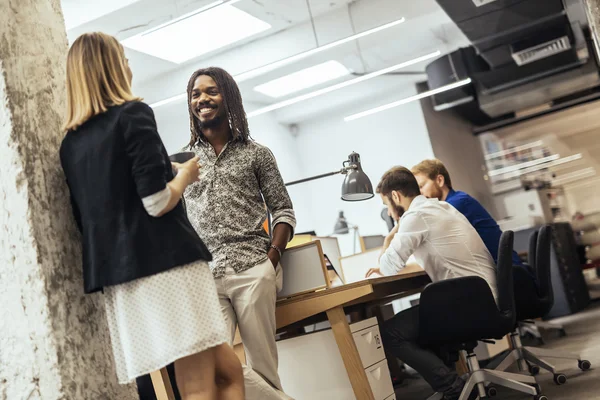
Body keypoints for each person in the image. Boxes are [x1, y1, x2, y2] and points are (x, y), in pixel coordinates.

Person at [60, 33, 243, 400]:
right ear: (110, 67)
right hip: (167, 268)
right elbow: (157, 202)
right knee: (198, 386)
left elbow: (94, 215)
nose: (129, 66)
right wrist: (185, 176)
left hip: (123, 282)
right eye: (123, 58)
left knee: (228, 371)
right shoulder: (133, 114)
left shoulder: (71, 144)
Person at [182, 67, 296, 400]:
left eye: (211, 91)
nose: (203, 99)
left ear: (228, 97)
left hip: (252, 268)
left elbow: (283, 211)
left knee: (262, 366)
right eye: (195, 94)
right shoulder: (184, 161)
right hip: (206, 273)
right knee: (216, 365)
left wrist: (271, 258)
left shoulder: (256, 154)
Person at [365, 167, 497, 400]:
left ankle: (453, 388)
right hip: (485, 298)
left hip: (470, 305)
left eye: (386, 204)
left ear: (396, 196)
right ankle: (454, 383)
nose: (388, 211)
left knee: (390, 333)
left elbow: (388, 266)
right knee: (425, 315)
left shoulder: (416, 216)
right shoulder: (441, 207)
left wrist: (388, 238)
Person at [411, 159, 523, 266]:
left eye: (421, 186)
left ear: (440, 180)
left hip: (508, 275)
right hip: (501, 272)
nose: (420, 194)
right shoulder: (456, 200)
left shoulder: (456, 204)